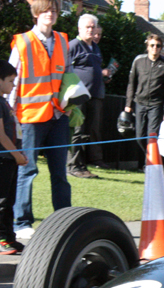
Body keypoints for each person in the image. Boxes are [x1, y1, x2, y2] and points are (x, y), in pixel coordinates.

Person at [9, 0, 72, 240]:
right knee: (27, 170)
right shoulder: (23, 42)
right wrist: (11, 114)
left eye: (54, 10)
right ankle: (21, 222)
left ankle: (65, 219)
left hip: (58, 115)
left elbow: (67, 75)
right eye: (46, 10)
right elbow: (12, 80)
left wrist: (70, 103)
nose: (51, 14)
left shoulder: (63, 41)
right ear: (36, 13)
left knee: (60, 173)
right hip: (31, 117)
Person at [125, 34, 164, 171]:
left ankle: (151, 165)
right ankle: (150, 160)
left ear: (161, 48)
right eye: (152, 45)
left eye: (158, 46)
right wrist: (128, 105)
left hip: (156, 105)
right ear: (147, 47)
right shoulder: (138, 61)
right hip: (139, 103)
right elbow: (131, 84)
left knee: (152, 136)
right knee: (139, 137)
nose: (155, 48)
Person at [67, 13, 107, 179]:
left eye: (93, 27)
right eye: (87, 27)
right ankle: (73, 165)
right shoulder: (74, 45)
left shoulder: (95, 48)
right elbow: (64, 68)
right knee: (77, 131)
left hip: (95, 96)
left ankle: (82, 165)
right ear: (79, 29)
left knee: (87, 132)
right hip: (78, 96)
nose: (91, 30)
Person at [0, 60, 28, 254]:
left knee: (10, 200)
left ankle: (9, 237)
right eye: (10, 81)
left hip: (11, 158)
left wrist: (18, 153)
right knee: (1, 200)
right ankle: (1, 238)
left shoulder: (4, 101)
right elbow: (0, 134)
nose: (13, 85)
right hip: (4, 158)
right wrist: (15, 154)